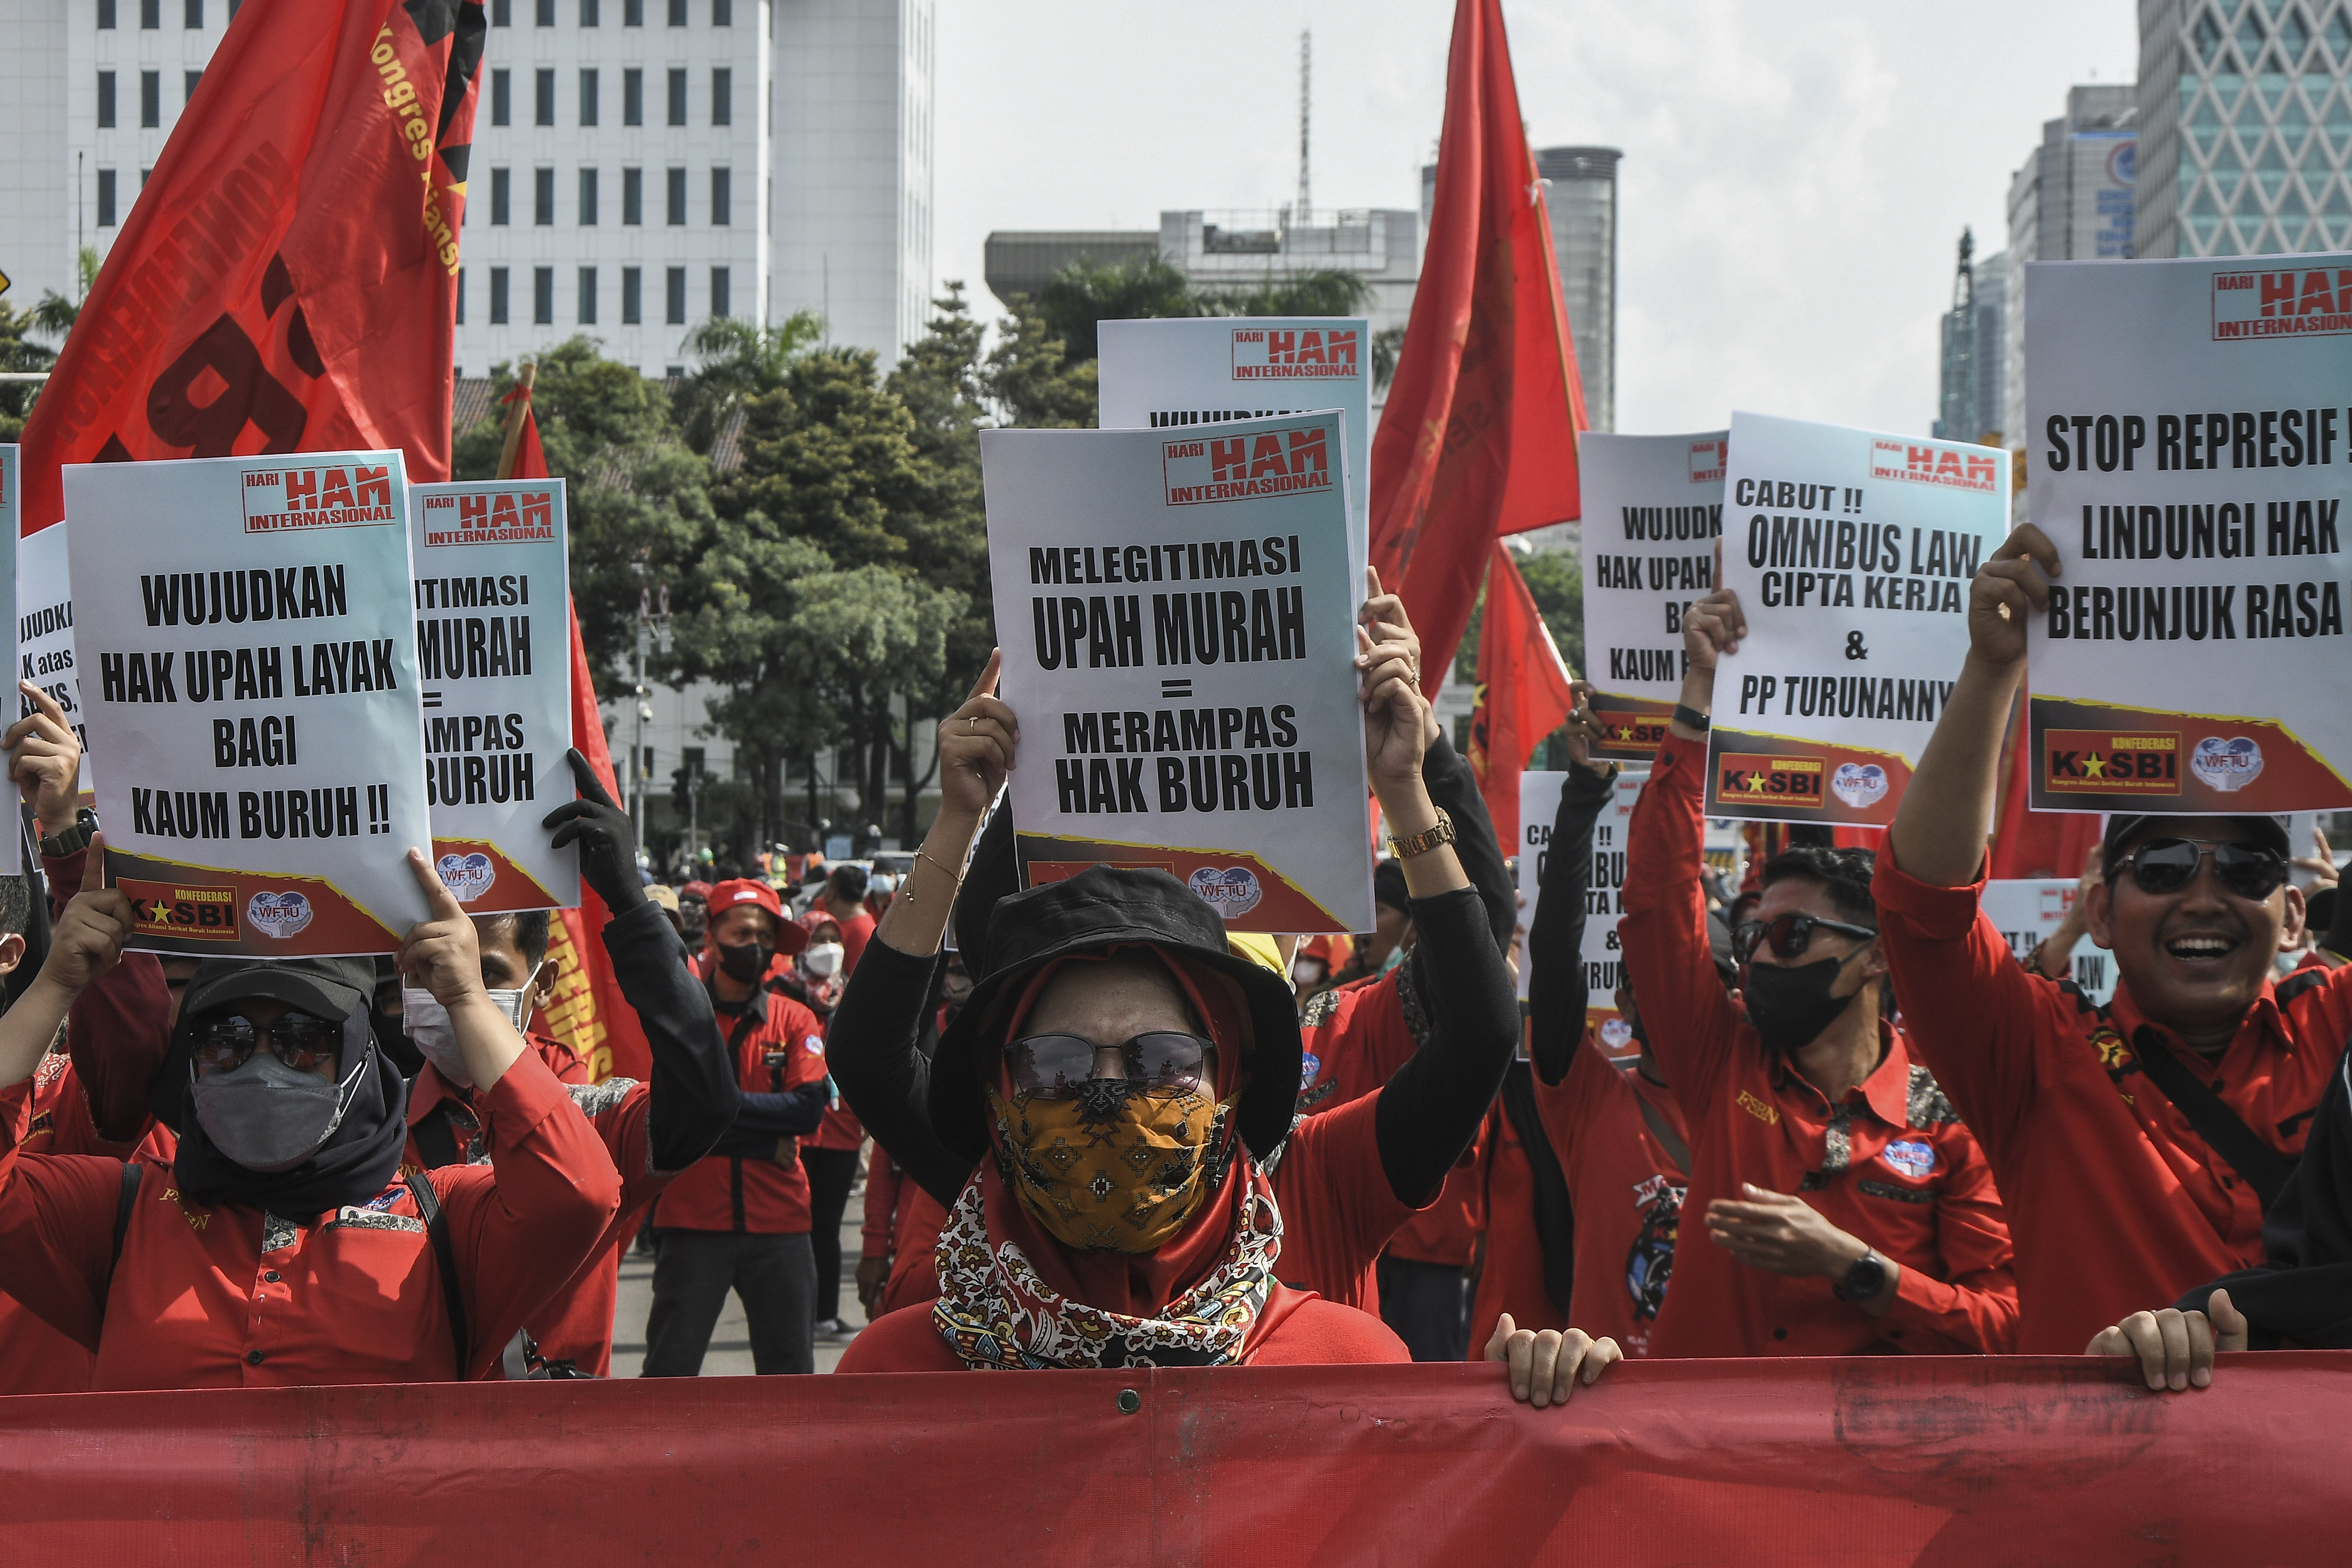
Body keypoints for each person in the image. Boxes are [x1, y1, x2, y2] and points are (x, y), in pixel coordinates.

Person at [831, 596, 1606, 1393]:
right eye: (1058, 1061)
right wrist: (963, 816)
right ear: (1001, 1092)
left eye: (1162, 1058)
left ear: (1235, 1060)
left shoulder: (1329, 1227)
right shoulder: (917, 1335)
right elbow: (869, 1056)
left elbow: (1478, 1030)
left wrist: (1410, 783)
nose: (1108, 1094)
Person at [1880, 521, 2352, 1355]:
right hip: (2103, 1449)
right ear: (2098, 912)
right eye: (2163, 868)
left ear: (2293, 915)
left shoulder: (2339, 1029)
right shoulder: (2033, 1057)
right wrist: (1992, 670)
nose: (2203, 897)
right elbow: (1923, 907)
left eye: (2244, 870)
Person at [0, 844, 621, 1387]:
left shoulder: (443, 1223)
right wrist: (55, 982)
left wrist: (466, 998)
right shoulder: (123, 1215)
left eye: (303, 1039)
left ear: (356, 1056)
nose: (261, 1064)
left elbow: (580, 1193)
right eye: (225, 1038)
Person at [1618, 585, 2018, 1358]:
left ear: (1876, 954)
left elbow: (2003, 1326)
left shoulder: (1951, 1120)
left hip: (1872, 1440)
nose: (1760, 956)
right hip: (1702, 1435)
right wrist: (1698, 697)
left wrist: (1856, 1268)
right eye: (1753, 934)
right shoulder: (1720, 1059)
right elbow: (1657, 899)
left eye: (1792, 935)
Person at [1487, 689, 1695, 1360]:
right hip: (1605, 1398)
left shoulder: (1756, 1100)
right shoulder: (1592, 1099)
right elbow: (1553, 956)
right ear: (1624, 1005)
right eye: (1652, 983)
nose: (1673, 997)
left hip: (1728, 1405)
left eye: (1692, 979)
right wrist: (1583, 794)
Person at [642, 878, 834, 1375]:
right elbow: (669, 1117)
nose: (755, 946)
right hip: (691, 1224)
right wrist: (767, 1141)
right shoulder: (680, 1019)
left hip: (781, 1226)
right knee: (668, 1374)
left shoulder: (794, 1018)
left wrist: (713, 1113)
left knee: (791, 1376)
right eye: (742, 933)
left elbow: (807, 1111)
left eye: (765, 936)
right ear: (711, 936)